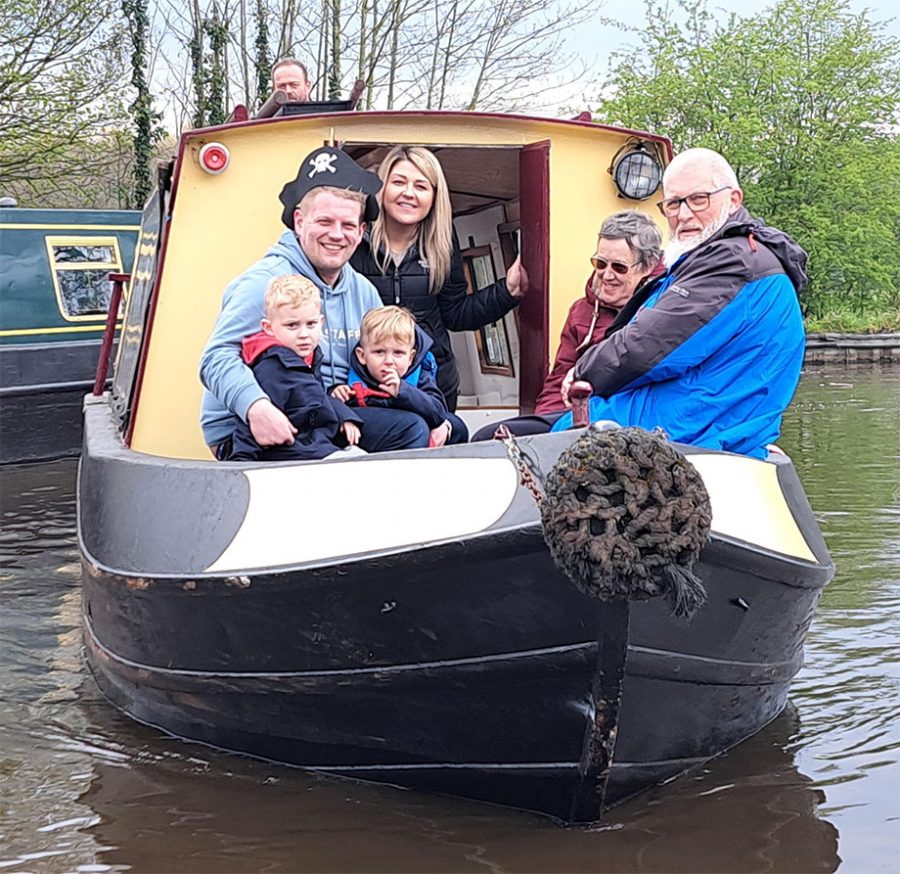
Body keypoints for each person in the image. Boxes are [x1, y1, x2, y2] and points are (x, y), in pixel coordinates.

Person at [551, 147, 808, 459]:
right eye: (673, 204)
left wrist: (583, 372)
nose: (684, 215)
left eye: (699, 199)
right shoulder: (729, 259)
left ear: (733, 199)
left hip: (692, 434)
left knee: (551, 436)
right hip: (715, 427)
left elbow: (652, 345)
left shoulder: (731, 262)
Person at [200, 145, 431, 456]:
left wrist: (435, 413)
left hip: (330, 414)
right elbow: (216, 358)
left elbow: (395, 354)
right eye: (325, 221)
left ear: (361, 231)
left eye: (348, 225)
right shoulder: (264, 284)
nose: (337, 234)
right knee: (408, 430)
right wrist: (256, 407)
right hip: (260, 425)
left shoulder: (364, 293)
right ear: (299, 221)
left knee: (420, 426)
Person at [350, 145, 527, 412]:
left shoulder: (442, 242)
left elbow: (455, 313)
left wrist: (508, 290)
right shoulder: (354, 240)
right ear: (383, 187)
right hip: (363, 380)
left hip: (432, 382)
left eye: (421, 186)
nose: (409, 193)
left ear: (434, 196)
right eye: (399, 182)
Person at [472, 210, 663, 440]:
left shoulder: (660, 312)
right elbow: (559, 379)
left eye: (619, 267)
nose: (606, 275)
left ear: (648, 266)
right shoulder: (581, 311)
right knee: (488, 437)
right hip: (570, 416)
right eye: (600, 263)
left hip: (629, 420)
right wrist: (546, 437)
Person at [228, 275, 363, 461]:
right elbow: (252, 423)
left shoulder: (308, 355)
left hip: (317, 440)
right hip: (292, 451)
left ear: (321, 322)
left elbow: (319, 395)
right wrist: (241, 463)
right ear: (268, 328)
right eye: (292, 325)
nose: (304, 334)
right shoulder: (272, 368)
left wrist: (344, 416)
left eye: (311, 324)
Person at [332, 306, 469, 447]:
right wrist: (337, 394)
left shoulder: (419, 376)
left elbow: (438, 411)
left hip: (413, 416)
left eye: (398, 353)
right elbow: (332, 405)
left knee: (457, 426)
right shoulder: (356, 381)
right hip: (380, 430)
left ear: (411, 357)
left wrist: (403, 391)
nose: (389, 361)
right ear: (362, 356)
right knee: (417, 428)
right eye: (379, 352)